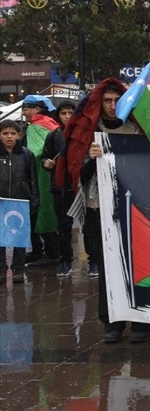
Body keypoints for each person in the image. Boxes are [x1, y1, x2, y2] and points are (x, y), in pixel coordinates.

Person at [64, 80, 150, 343]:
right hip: (99, 208)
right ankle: (112, 321)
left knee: (138, 265)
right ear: (99, 103)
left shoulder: (138, 130)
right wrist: (92, 159)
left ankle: (141, 321)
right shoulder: (89, 132)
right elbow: (77, 174)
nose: (113, 106)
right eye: (107, 101)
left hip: (135, 208)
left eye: (117, 100)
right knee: (107, 267)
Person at [20, 96, 60, 266]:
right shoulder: (49, 122)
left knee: (39, 213)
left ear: (37, 109)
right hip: (51, 176)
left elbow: (34, 152)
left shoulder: (36, 125)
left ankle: (47, 253)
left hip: (39, 177)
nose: (23, 111)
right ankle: (46, 251)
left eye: (26, 107)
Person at [0, 119, 38, 284]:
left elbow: (33, 180)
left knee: (20, 237)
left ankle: (18, 268)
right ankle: (1, 269)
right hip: (1, 203)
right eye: (5, 133)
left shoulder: (26, 154)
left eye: (13, 133)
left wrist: (34, 200)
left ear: (18, 135)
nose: (9, 137)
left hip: (20, 202)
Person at [44, 101, 77, 277]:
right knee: (63, 227)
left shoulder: (81, 135)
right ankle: (65, 261)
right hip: (60, 188)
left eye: (70, 112)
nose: (67, 116)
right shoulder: (52, 136)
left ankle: (94, 260)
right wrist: (47, 163)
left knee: (88, 227)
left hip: (79, 187)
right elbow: (45, 157)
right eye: (63, 113)